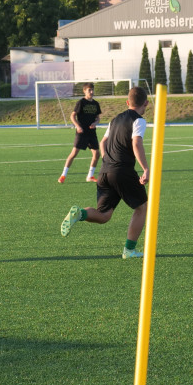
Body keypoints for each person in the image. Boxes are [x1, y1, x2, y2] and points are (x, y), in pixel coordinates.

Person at [60, 86, 150, 259]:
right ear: (145, 103)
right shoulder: (139, 120)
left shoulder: (115, 119)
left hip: (105, 171)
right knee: (141, 208)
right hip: (122, 171)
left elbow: (103, 142)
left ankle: (80, 213)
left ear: (127, 102)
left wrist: (107, 159)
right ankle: (129, 250)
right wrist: (146, 168)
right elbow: (136, 143)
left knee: (104, 215)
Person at [59, 83, 102, 183]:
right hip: (82, 133)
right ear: (84, 91)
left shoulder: (96, 104)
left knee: (96, 154)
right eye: (89, 90)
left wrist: (95, 123)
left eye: (92, 90)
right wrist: (78, 126)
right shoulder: (81, 103)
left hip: (91, 133)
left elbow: (98, 118)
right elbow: (72, 116)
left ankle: (90, 176)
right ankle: (63, 175)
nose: (91, 92)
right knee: (74, 154)